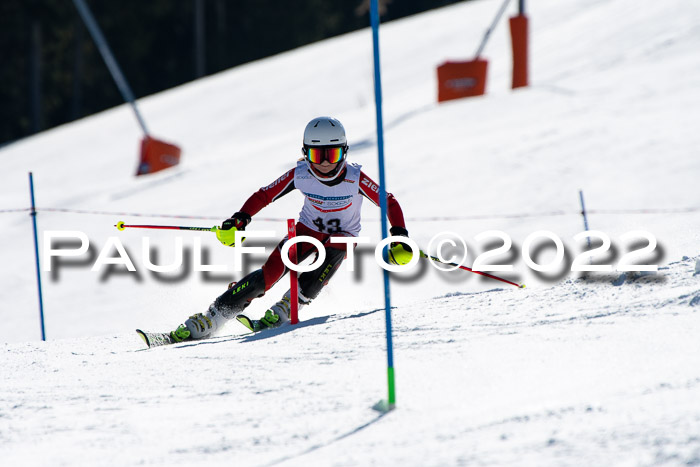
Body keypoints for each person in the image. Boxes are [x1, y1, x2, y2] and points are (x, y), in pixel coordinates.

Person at [170, 116, 413, 341]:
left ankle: (292, 302)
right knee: (269, 274)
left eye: (333, 153)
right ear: (306, 154)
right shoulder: (301, 174)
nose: (327, 163)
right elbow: (265, 195)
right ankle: (213, 316)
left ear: (345, 152)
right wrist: (240, 218)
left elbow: (389, 201)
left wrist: (400, 235)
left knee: (338, 247)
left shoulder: (355, 177)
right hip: (307, 231)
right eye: (319, 156)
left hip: (342, 235)